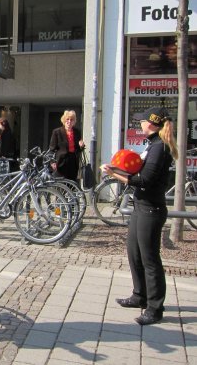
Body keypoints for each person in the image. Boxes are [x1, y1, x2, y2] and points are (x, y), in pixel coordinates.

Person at [101, 107, 177, 326]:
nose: (139, 124)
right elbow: (139, 174)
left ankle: (155, 308)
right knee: (134, 252)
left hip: (151, 210)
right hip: (141, 207)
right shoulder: (152, 145)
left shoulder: (159, 148)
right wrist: (118, 168)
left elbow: (144, 180)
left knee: (150, 259)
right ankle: (139, 295)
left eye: (141, 121)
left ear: (151, 124)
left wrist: (113, 175)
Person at [49, 110, 85, 181]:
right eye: (67, 119)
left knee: (71, 185)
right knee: (60, 184)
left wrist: (81, 146)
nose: (69, 121)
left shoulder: (77, 132)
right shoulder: (57, 132)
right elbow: (52, 149)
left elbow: (78, 149)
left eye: (71, 120)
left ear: (74, 122)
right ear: (64, 120)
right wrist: (52, 162)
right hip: (61, 162)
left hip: (73, 162)